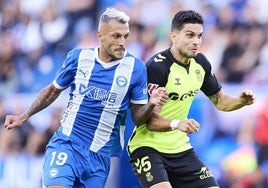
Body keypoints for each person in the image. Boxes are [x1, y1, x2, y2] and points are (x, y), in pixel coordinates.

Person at [3, 8, 168, 188]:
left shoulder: (136, 69)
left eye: (126, 36)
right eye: (116, 36)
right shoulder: (78, 57)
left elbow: (138, 117)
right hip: (67, 143)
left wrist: (151, 104)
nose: (122, 42)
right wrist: (24, 115)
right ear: (100, 36)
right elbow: (52, 90)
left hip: (99, 156)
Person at [127, 10, 255, 188]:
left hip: (180, 148)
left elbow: (221, 101)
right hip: (148, 147)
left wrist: (241, 101)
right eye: (190, 35)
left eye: (199, 36)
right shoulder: (158, 66)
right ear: (174, 36)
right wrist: (176, 123)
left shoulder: (200, 64)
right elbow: (148, 121)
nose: (196, 41)